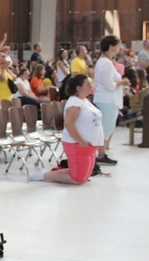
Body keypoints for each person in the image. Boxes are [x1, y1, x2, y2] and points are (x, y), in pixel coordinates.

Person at [30, 75, 103, 185]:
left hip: (89, 145)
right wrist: (81, 141)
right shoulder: (74, 102)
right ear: (79, 88)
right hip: (78, 144)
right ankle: (45, 175)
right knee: (78, 179)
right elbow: (69, 123)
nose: (91, 86)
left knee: (85, 176)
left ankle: (59, 172)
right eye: (88, 84)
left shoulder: (85, 100)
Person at [93, 35, 129, 165]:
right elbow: (109, 85)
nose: (119, 48)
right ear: (112, 46)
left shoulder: (106, 61)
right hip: (107, 99)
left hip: (107, 99)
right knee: (106, 128)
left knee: (107, 127)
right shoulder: (106, 63)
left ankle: (102, 153)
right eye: (118, 45)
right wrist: (122, 82)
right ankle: (100, 154)